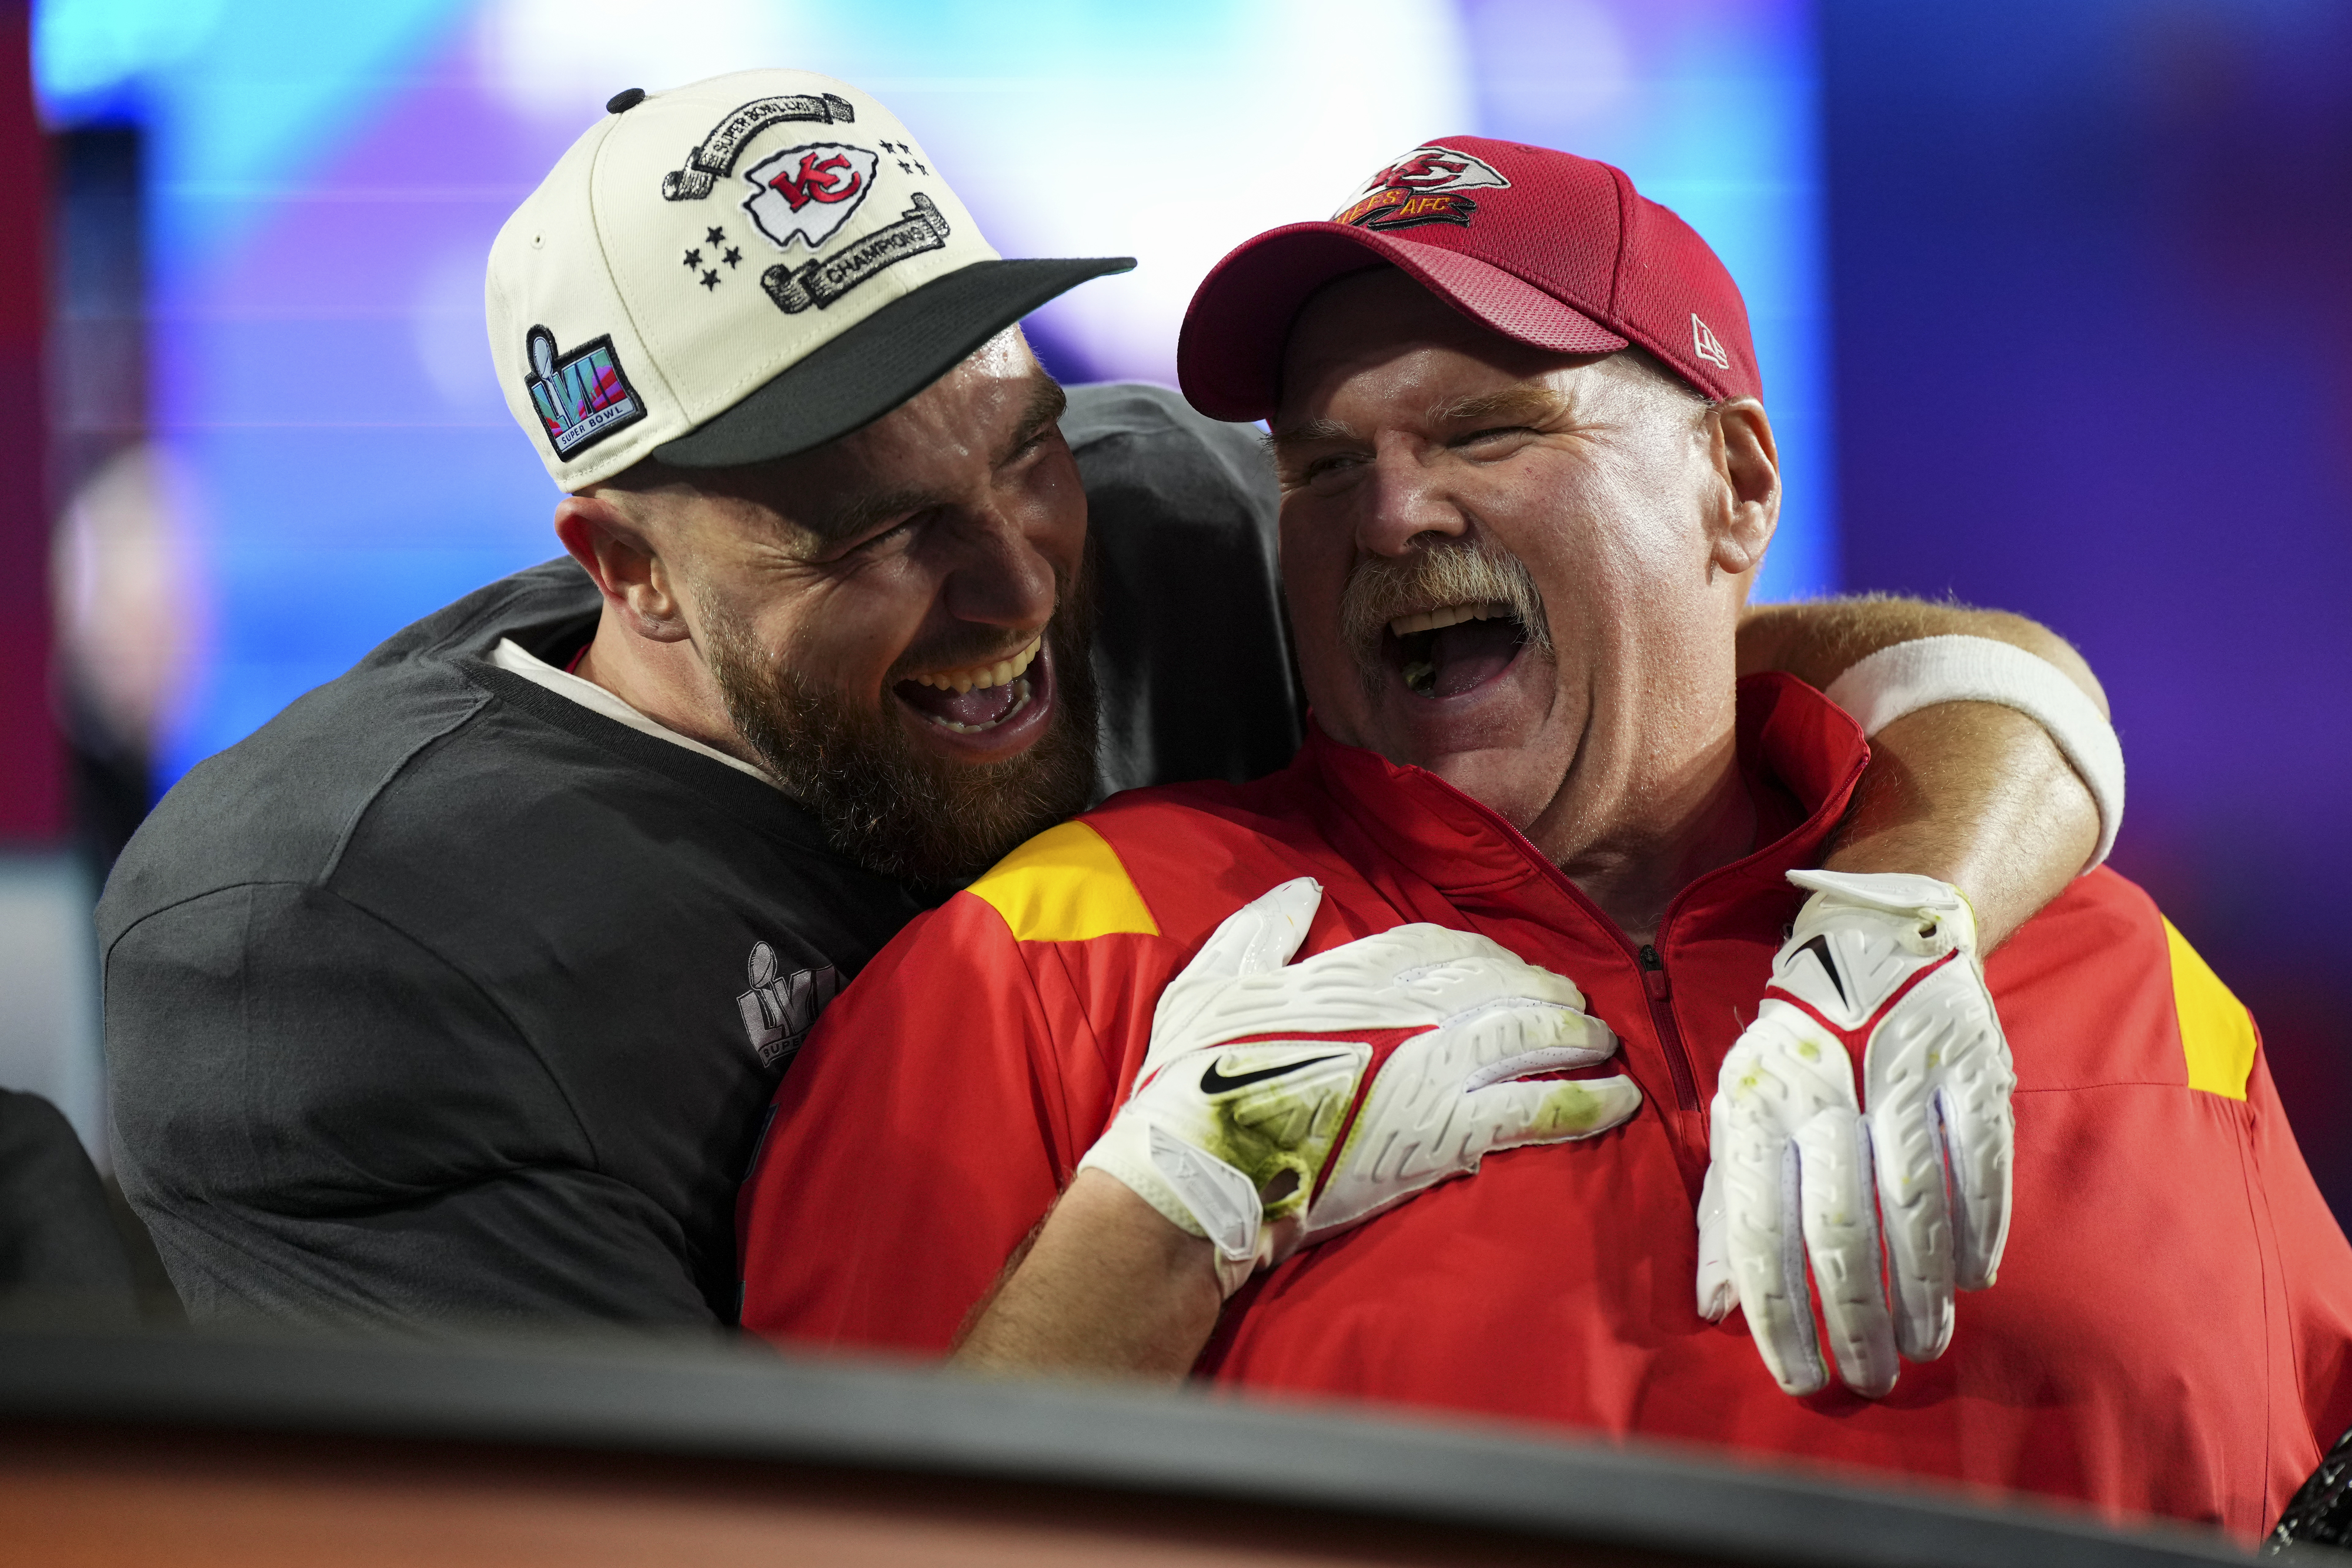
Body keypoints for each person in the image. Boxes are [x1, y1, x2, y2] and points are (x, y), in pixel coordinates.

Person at [104, 73, 2095, 1332]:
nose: (1009, 584)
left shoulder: (1154, 518)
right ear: (627, 568)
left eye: (1014, 449)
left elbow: (1816, 665)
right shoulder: (329, 949)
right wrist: (1174, 1206)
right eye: (870, 531)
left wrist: (1908, 907)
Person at [735, 136, 2352, 1542]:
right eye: (1319, 467)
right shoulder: (1049, 968)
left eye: (1488, 431)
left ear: (1735, 482)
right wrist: (1156, 1226)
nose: (1391, 513)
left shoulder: (2108, 963)